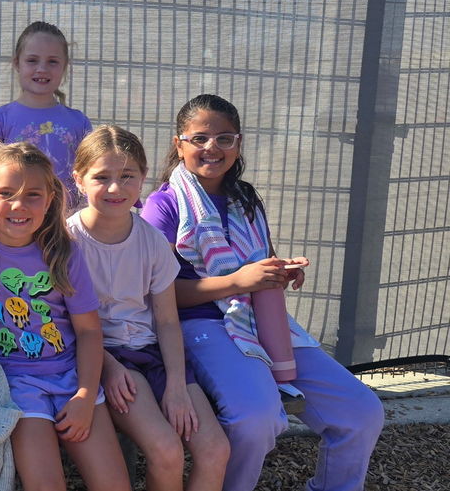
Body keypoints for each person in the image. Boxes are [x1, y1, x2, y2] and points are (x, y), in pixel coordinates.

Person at [141, 94, 384, 491]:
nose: (212, 148)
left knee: (361, 412)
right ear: (178, 143)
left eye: (224, 139)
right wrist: (240, 281)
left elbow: (259, 262)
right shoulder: (163, 207)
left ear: (238, 144)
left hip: (259, 321)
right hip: (199, 325)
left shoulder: (245, 198)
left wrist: (278, 271)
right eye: (199, 138)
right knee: (256, 420)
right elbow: (156, 297)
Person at [0, 143, 130, 491]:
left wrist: (84, 395)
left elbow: (88, 332)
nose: (19, 205)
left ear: (51, 198)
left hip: (72, 377)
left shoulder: (63, 252)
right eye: (6, 193)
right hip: (15, 387)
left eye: (32, 195)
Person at [67, 125, 229, 491]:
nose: (115, 188)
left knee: (215, 450)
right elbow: (65, 324)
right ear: (78, 179)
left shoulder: (153, 241)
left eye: (127, 176)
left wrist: (176, 385)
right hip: (107, 357)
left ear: (142, 178)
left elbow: (168, 321)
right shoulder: (66, 243)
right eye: (101, 177)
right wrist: (106, 367)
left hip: (153, 353)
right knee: (167, 451)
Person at [0, 21, 92, 207]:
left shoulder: (79, 122)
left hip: (65, 225)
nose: (42, 68)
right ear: (17, 63)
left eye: (52, 61)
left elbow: (90, 177)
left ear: (64, 66)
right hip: (16, 219)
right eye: (32, 60)